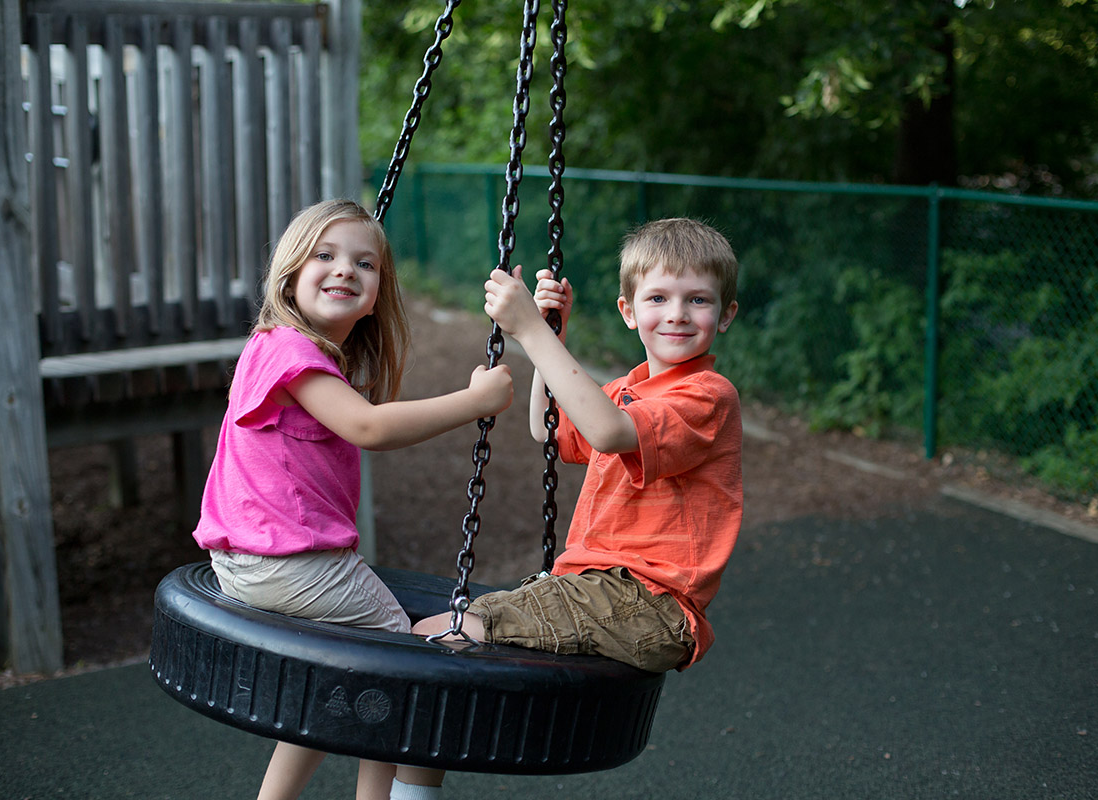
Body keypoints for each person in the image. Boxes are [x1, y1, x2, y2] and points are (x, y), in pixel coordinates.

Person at [192, 199, 512, 800]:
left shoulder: (285, 349)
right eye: (325, 255)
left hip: (252, 558)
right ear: (289, 273)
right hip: (292, 563)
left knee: (334, 676)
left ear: (376, 295)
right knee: (395, 658)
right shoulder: (290, 349)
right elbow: (370, 428)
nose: (345, 270)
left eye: (364, 264)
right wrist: (474, 402)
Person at [414, 217, 743, 679]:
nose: (677, 313)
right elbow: (546, 428)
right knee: (439, 635)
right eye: (658, 298)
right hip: (599, 589)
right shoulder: (624, 392)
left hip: (648, 601)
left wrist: (533, 333)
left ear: (725, 314)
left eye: (697, 300)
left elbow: (609, 432)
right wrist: (552, 336)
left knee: (440, 636)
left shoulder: (708, 395)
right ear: (628, 312)